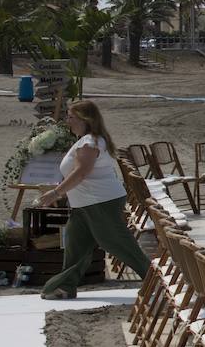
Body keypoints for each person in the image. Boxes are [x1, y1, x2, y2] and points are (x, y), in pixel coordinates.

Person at [34, 100, 152, 299]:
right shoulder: (85, 140)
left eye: (71, 117)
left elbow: (81, 172)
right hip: (84, 204)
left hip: (100, 202)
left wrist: (56, 193)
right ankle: (65, 286)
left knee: (116, 243)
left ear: (84, 119)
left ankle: (153, 282)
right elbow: (76, 173)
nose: (67, 121)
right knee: (75, 244)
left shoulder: (90, 142)